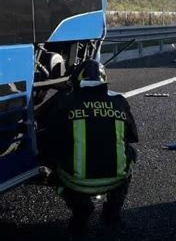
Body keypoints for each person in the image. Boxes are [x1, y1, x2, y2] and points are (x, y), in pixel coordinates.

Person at [36, 59, 138, 231]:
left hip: (75, 182)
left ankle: (80, 208)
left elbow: (47, 131)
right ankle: (113, 210)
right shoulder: (120, 101)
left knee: (48, 155)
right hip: (115, 180)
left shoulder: (65, 102)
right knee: (131, 153)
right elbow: (132, 136)